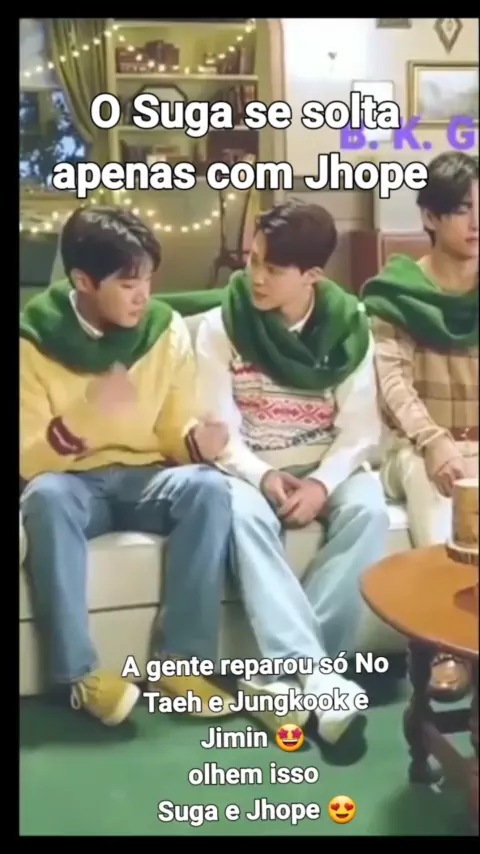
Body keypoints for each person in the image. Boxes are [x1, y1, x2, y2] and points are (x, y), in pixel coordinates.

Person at [20, 206, 235, 726]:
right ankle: (80, 677)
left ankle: (181, 665)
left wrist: (197, 442)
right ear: (83, 281)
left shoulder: (164, 330)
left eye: (148, 281)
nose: (144, 296)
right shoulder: (33, 340)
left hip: (146, 478)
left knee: (209, 488)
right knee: (45, 498)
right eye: (128, 283)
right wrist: (89, 411)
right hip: (72, 484)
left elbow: (171, 427)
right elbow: (28, 461)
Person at [195, 200, 390, 745]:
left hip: (326, 460)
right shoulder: (221, 325)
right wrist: (261, 476)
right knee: (241, 516)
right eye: (253, 260)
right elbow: (219, 428)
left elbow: (361, 431)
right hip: (250, 464)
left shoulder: (349, 326)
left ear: (312, 275)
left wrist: (323, 484)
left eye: (273, 268)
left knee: (369, 511)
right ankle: (320, 679)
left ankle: (281, 677)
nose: (255, 276)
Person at [362, 151, 478, 701]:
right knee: (441, 486)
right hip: (417, 449)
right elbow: (394, 384)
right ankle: (449, 648)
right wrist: (434, 442)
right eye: (462, 209)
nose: (476, 222)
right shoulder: (398, 292)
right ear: (430, 216)